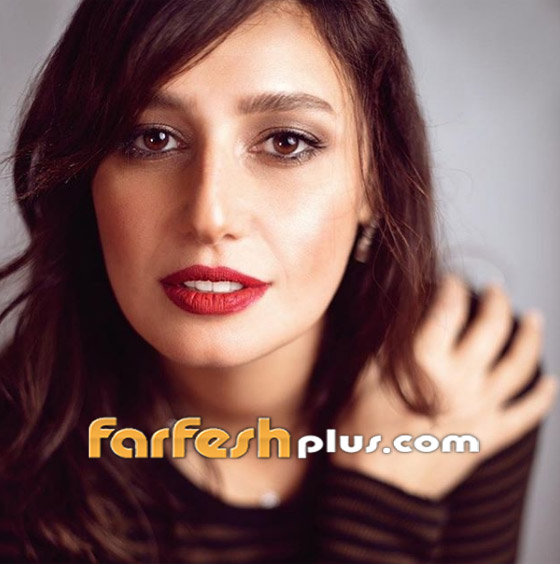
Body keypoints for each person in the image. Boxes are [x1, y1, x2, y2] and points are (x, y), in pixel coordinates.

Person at [0, 1, 556, 563]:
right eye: (153, 139)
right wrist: (383, 504)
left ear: (375, 184)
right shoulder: (13, 448)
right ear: (86, 176)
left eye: (286, 142)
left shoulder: (457, 377)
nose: (211, 215)